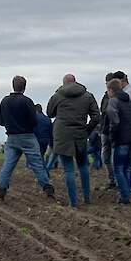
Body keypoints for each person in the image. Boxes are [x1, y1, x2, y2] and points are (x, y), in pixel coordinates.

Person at [0, 76, 55, 200]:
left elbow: (1, 121)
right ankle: (47, 188)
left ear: (13, 85)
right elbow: (34, 121)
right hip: (27, 137)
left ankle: (2, 188)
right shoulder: (27, 101)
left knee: (8, 164)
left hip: (11, 138)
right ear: (24, 87)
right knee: (37, 164)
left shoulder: (4, 101)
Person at [47, 74, 101, 207]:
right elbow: (96, 117)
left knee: (69, 170)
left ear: (64, 83)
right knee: (83, 166)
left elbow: (49, 113)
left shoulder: (58, 95)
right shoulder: (88, 96)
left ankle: (73, 202)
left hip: (62, 136)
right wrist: (87, 130)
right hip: (80, 135)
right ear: (76, 82)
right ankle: (87, 198)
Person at [105, 78, 131, 204]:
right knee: (127, 168)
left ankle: (124, 196)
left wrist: (112, 137)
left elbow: (114, 121)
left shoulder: (113, 102)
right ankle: (127, 192)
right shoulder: (129, 102)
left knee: (118, 169)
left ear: (111, 90)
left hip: (121, 140)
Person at [99, 72, 117, 190]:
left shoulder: (114, 97)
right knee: (105, 157)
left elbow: (106, 111)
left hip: (111, 130)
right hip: (105, 130)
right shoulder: (106, 96)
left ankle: (115, 180)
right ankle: (112, 179)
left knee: (112, 157)